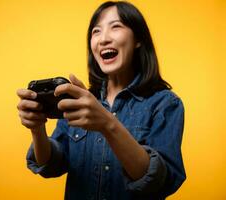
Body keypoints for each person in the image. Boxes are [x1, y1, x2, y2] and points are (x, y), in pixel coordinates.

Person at [16, 1, 186, 199]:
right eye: (96, 31)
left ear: (138, 39)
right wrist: (37, 129)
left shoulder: (166, 104)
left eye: (116, 27)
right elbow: (52, 164)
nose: (103, 39)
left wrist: (107, 124)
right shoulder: (79, 101)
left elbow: (158, 182)